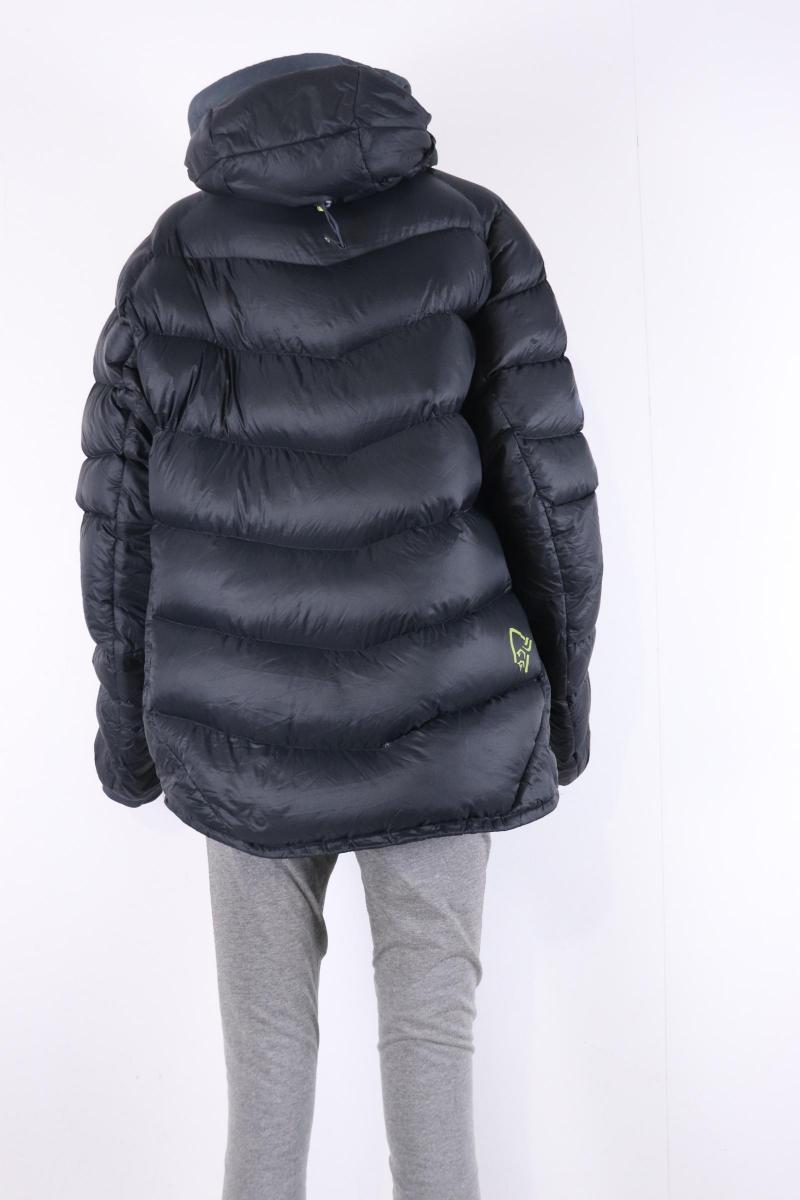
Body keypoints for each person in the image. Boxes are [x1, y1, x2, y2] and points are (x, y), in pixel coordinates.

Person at [76, 53, 602, 1200]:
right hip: (444, 705)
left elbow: (117, 524)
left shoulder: (171, 261)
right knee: (432, 1043)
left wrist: (129, 740)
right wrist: (557, 706)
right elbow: (547, 487)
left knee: (265, 1060)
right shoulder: (471, 230)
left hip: (240, 727)